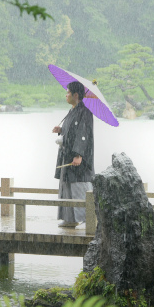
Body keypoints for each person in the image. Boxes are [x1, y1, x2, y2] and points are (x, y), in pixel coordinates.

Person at [52, 80, 94, 227]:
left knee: (79, 187)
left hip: (77, 158)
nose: (66, 95)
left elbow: (83, 134)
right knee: (67, 187)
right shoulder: (73, 111)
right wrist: (61, 130)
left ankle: (87, 219)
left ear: (76, 95)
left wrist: (79, 155)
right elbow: (72, 131)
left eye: (68, 92)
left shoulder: (85, 111)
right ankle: (70, 219)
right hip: (67, 155)